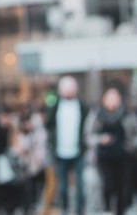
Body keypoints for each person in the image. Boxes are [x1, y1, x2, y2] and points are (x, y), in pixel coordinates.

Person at [84, 86, 137, 215]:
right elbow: (88, 136)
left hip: (124, 158)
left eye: (115, 98)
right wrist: (101, 139)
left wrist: (130, 146)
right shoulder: (97, 116)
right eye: (109, 98)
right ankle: (107, 211)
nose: (112, 101)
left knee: (123, 188)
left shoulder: (128, 115)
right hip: (104, 157)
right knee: (107, 186)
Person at [44, 75, 90, 215]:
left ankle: (79, 210)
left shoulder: (82, 105)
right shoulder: (55, 104)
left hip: (78, 152)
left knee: (80, 186)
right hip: (60, 152)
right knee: (62, 186)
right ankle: (64, 209)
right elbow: (48, 123)